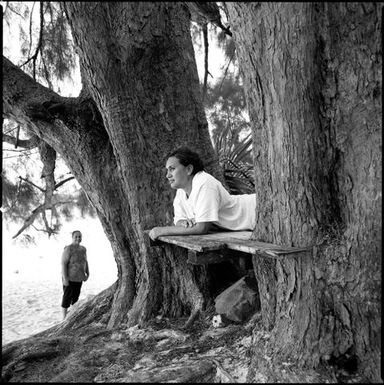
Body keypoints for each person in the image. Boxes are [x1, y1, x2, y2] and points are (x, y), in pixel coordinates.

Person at [149, 147, 256, 241]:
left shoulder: (204, 182)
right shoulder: (181, 191)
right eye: (167, 170)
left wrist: (162, 230)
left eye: (172, 169)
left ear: (189, 169)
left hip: (255, 211)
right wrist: (183, 223)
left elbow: (202, 228)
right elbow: (178, 220)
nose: (167, 175)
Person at [61, 230, 89, 320]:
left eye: (79, 236)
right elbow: (63, 263)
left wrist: (87, 273)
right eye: (76, 236)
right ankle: (64, 318)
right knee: (66, 298)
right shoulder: (68, 249)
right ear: (72, 237)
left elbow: (85, 261)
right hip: (69, 278)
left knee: (75, 299)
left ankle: (72, 316)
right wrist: (65, 278)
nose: (78, 238)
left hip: (79, 277)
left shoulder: (83, 249)